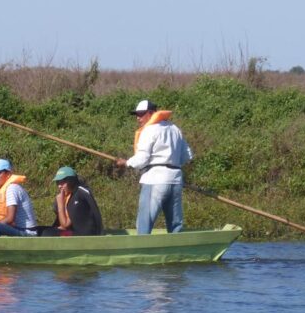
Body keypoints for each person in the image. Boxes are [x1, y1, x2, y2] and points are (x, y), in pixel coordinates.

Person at [116, 99, 194, 235]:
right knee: (175, 225)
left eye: (141, 114)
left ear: (151, 113)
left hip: (155, 180)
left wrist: (126, 163)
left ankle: (142, 250)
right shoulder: (175, 129)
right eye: (136, 114)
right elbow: (187, 155)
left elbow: (142, 159)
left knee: (144, 222)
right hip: (175, 180)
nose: (138, 118)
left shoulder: (149, 130)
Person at [41, 166, 103, 236]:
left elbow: (65, 224)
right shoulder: (69, 195)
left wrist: (60, 204)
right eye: (58, 182)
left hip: (83, 236)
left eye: (63, 182)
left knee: (47, 233)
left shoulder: (80, 193)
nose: (59, 186)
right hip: (73, 232)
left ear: (72, 181)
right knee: (40, 231)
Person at [0, 159, 37, 237]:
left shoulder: (12, 188)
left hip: (27, 232)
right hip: (15, 228)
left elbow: (10, 219)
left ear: (8, 174)